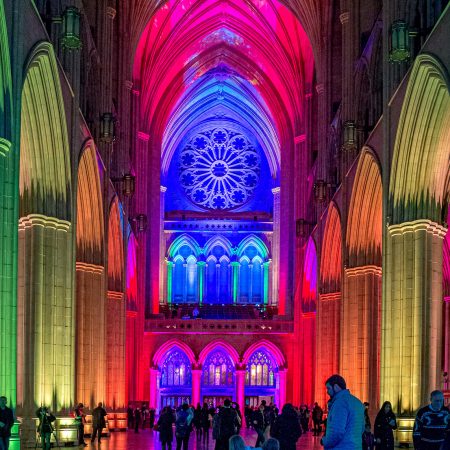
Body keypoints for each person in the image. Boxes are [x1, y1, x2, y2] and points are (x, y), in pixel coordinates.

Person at [320, 374, 365, 449]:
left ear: (336, 387)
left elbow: (337, 432)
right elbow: (362, 428)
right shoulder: (358, 402)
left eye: (328, 388)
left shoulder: (340, 403)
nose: (327, 392)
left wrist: (324, 441)